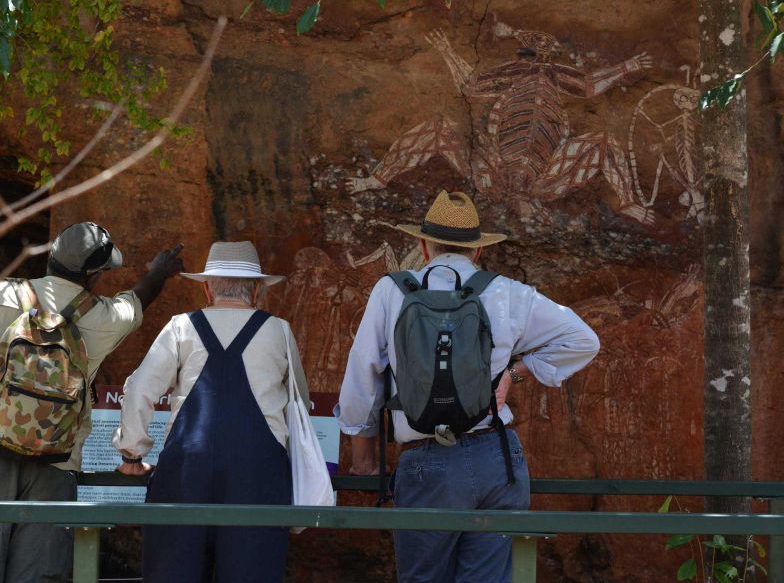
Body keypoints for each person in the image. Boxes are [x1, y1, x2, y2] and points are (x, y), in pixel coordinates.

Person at [336, 191, 600, 583]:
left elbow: (363, 375)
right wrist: (516, 372)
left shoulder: (391, 290)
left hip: (426, 460)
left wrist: (362, 459)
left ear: (423, 247)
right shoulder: (508, 292)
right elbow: (584, 340)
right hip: (496, 455)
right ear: (477, 252)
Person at [0, 222, 183, 583]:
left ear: (50, 256)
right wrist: (159, 273)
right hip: (56, 466)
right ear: (95, 276)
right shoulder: (104, 319)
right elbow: (139, 298)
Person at [113, 240, 309, 583]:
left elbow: (140, 387)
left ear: (206, 288)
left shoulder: (181, 327)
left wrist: (133, 453)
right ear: (258, 291)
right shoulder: (279, 331)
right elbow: (299, 406)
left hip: (187, 470)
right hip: (258, 474)